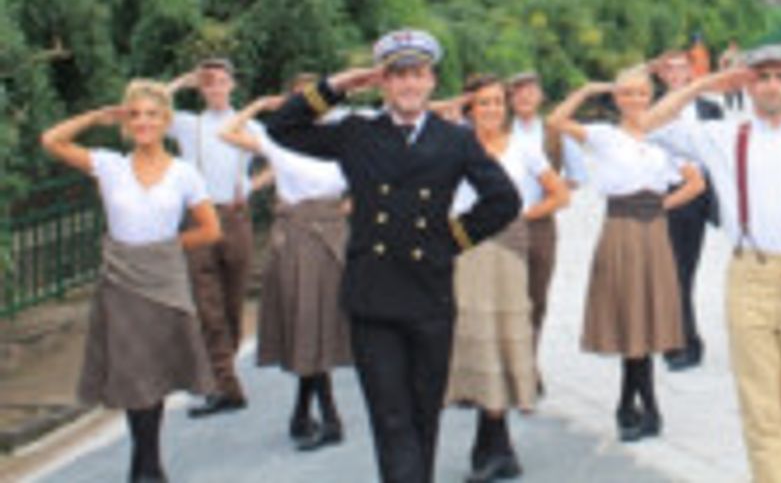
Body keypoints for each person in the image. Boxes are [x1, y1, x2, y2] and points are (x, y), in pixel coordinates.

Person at [262, 29, 521, 483]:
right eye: (397, 75)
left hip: (430, 296)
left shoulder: (453, 139)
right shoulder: (358, 133)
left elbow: (504, 199)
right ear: (383, 82)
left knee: (423, 417)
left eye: (417, 75)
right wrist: (341, 84)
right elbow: (282, 127)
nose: (408, 85)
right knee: (391, 419)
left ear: (431, 82)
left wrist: (451, 240)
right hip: (373, 299)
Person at [641, 46, 781, 483]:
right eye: (763, 77)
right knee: (760, 404)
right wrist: (704, 84)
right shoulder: (725, 135)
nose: (773, 85)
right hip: (751, 276)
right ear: (749, 83)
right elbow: (648, 125)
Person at [41, 80, 222, 483]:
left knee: (154, 373)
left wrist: (164, 247)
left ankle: (147, 464)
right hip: (122, 283)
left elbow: (210, 229)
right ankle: (146, 468)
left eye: (152, 115)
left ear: (165, 121)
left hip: (163, 280)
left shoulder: (183, 173)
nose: (143, 122)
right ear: (126, 121)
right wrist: (96, 117)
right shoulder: (109, 165)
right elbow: (51, 140)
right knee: (135, 373)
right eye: (135, 114)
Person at [547, 69, 706, 443]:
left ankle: (634, 405)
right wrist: (587, 88)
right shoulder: (604, 136)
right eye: (627, 94)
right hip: (619, 229)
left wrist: (662, 205)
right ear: (617, 99)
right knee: (629, 315)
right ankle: (639, 404)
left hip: (653, 230)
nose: (634, 100)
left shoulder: (662, 141)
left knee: (648, 317)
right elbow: (554, 121)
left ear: (650, 97)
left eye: (641, 93)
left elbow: (697, 183)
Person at [446, 74, 569, 483]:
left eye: (498, 102)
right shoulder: (454, 148)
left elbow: (559, 195)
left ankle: (492, 445)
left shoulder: (523, 148)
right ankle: (495, 446)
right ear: (470, 109)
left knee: (502, 338)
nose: (493, 110)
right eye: (483, 103)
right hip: (467, 250)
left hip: (509, 250)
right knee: (477, 340)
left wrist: (518, 217)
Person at [220, 80, 351, 452]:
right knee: (306, 324)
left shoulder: (344, 137)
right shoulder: (277, 140)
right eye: (300, 99)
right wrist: (260, 102)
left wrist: (347, 207)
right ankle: (327, 415)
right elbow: (226, 132)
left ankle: (306, 414)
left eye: (315, 98)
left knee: (320, 325)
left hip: (333, 239)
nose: (309, 105)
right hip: (295, 240)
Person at [164, 58, 258, 417]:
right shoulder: (190, 125)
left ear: (232, 85)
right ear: (201, 90)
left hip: (235, 218)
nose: (216, 88)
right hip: (201, 218)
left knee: (232, 305)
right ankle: (225, 385)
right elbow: (147, 108)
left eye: (221, 82)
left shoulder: (249, 125)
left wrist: (247, 187)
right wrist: (181, 81)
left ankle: (222, 378)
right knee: (208, 307)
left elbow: (278, 159)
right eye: (209, 83)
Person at [651, 49, 724, 371]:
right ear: (662, 75)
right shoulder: (652, 108)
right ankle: (680, 342)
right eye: (670, 69)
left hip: (696, 195)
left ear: (692, 73)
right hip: (663, 192)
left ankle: (683, 342)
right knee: (669, 271)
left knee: (683, 270)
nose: (677, 73)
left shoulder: (710, 110)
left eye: (683, 68)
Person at [506, 71, 567, 361]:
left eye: (531, 90)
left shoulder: (555, 133)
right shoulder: (499, 130)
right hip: (501, 225)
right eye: (518, 91)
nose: (525, 96)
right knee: (503, 297)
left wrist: (549, 197)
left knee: (536, 298)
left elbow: (576, 177)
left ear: (541, 96)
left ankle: (528, 365)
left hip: (540, 223)